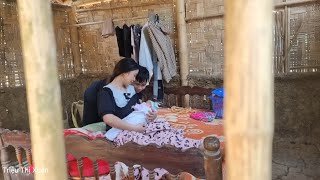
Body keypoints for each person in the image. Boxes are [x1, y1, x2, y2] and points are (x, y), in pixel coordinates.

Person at [82, 64, 154, 127]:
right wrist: (134, 128)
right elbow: (111, 118)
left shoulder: (133, 90)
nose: (140, 88)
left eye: (143, 85)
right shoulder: (107, 91)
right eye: (137, 84)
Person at [97, 58, 157, 133]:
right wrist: (134, 128)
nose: (134, 79)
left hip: (137, 128)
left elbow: (138, 110)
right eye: (134, 75)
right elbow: (108, 118)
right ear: (125, 73)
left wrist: (152, 116)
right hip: (120, 132)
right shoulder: (106, 92)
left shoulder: (131, 89)